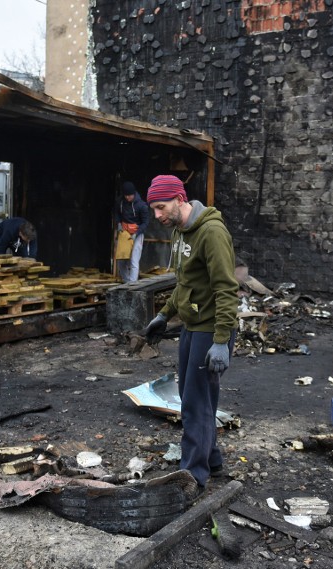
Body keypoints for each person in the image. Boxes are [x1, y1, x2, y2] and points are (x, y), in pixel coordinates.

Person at [141, 174, 239, 496]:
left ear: (179, 200)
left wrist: (222, 341)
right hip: (191, 325)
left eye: (161, 207)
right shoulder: (180, 232)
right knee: (195, 397)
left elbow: (226, 289)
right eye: (153, 208)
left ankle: (191, 476)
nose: (157, 215)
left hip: (211, 329)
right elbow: (186, 283)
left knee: (195, 402)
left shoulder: (211, 233)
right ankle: (211, 460)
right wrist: (163, 314)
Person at [114, 181, 149, 282]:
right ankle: (126, 282)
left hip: (137, 232)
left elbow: (145, 222)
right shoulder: (120, 202)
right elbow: (116, 213)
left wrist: (137, 234)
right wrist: (119, 224)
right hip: (124, 231)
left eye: (129, 195)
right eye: (125, 195)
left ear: (134, 193)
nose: (127, 197)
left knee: (134, 259)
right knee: (121, 259)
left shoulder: (142, 205)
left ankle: (133, 284)